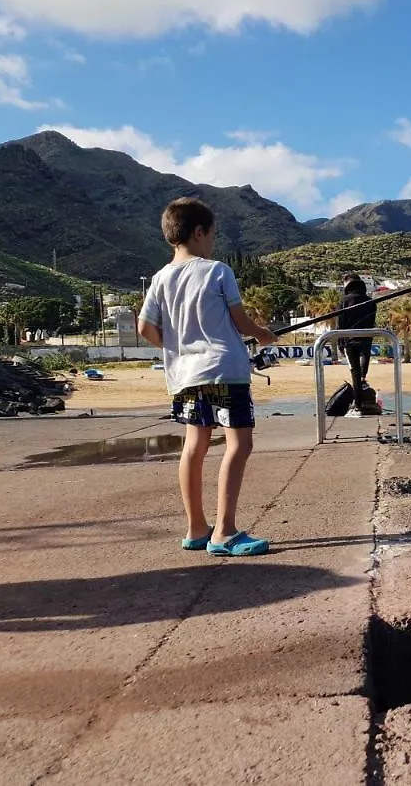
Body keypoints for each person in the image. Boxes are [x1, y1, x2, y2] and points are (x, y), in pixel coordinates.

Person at [139, 198, 276, 557]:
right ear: (199, 232)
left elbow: (144, 328)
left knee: (194, 447)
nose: (213, 242)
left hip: (185, 376)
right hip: (225, 371)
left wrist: (178, 347)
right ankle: (225, 533)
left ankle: (197, 529)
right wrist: (263, 334)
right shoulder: (217, 271)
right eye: (212, 235)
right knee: (239, 444)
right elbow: (240, 322)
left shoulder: (160, 278)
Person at [338, 274, 377, 417]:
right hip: (366, 339)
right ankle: (363, 387)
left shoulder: (344, 301)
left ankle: (358, 405)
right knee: (361, 372)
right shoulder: (370, 301)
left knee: (355, 372)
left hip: (350, 340)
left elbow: (340, 324)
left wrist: (340, 343)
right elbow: (371, 322)